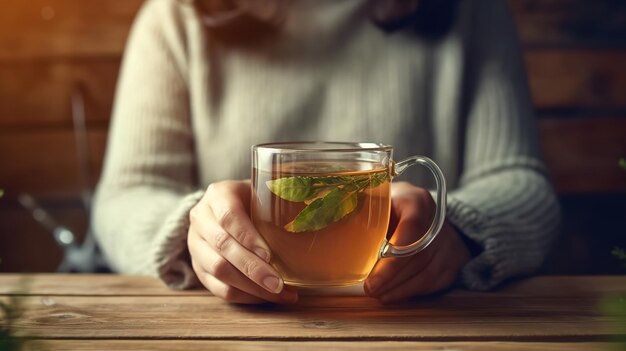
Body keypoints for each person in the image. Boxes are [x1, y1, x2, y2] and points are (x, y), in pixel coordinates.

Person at [93, 0, 560, 304]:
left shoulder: (474, 13)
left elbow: (521, 183)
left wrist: (456, 227)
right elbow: (127, 195)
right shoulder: (175, 16)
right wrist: (194, 232)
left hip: (417, 326)